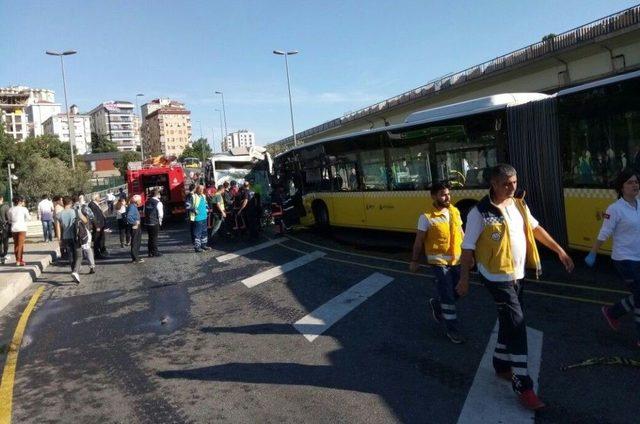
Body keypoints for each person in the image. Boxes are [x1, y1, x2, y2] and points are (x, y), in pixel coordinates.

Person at [457, 164, 574, 411]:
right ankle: (523, 384)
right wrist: (464, 278)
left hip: (519, 274)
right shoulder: (479, 212)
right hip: (496, 277)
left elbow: (535, 228)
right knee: (517, 323)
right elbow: (467, 248)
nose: (512, 187)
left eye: (514, 182)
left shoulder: (519, 204)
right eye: (507, 184)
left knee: (508, 319)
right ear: (494, 184)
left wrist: (559, 250)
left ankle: (501, 364)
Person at [586, 169, 640, 348]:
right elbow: (605, 232)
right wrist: (593, 252)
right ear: (621, 187)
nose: (635, 185)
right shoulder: (614, 209)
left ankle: (612, 312)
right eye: (630, 183)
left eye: (636, 182)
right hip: (624, 259)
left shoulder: (639, 204)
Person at [409, 182, 465, 343]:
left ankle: (437, 304)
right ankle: (452, 330)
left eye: (448, 194)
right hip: (438, 262)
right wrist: (414, 260)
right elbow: (419, 241)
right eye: (442, 194)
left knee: (460, 291)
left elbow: (461, 233)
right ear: (433, 196)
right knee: (448, 295)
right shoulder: (426, 217)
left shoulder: (455, 211)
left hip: (457, 260)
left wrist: (469, 255)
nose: (447, 197)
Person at [57, 196, 89, 283]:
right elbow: (85, 221)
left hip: (66, 237)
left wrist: (59, 240)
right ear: (71, 203)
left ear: (63, 203)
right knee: (79, 255)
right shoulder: (75, 211)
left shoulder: (59, 214)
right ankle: (75, 272)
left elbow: (58, 228)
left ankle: (73, 272)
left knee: (71, 256)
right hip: (76, 237)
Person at [7, 196, 30, 266]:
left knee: (16, 245)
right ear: (20, 202)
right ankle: (19, 260)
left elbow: (9, 220)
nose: (23, 202)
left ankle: (18, 259)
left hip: (14, 228)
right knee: (21, 245)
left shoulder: (10, 210)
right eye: (23, 201)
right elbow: (28, 218)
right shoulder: (24, 209)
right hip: (22, 228)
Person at [188, 185, 209, 252]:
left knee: (204, 232)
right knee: (197, 233)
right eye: (200, 189)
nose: (202, 190)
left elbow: (206, 204)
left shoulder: (203, 196)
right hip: (197, 218)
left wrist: (207, 209)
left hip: (204, 217)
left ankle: (204, 245)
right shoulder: (193, 196)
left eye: (202, 189)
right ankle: (197, 247)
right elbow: (187, 205)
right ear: (197, 189)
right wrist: (194, 210)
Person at [144, 189, 163, 257]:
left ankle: (150, 252)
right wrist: (160, 222)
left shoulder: (147, 202)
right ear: (157, 195)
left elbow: (144, 211)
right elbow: (160, 214)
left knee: (150, 237)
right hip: (155, 222)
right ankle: (155, 252)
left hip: (148, 222)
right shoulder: (158, 202)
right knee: (154, 238)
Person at [88, 194, 109, 258]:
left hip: (100, 225)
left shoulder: (95, 204)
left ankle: (102, 251)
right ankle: (97, 254)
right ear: (95, 198)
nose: (100, 198)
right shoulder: (92, 205)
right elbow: (94, 217)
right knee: (96, 239)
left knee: (101, 238)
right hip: (98, 225)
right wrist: (97, 226)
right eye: (99, 197)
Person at [126, 194, 144, 263]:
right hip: (135, 226)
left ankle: (136, 257)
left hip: (135, 226)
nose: (140, 201)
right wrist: (134, 222)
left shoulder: (132, 206)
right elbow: (129, 217)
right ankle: (135, 258)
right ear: (136, 201)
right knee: (135, 242)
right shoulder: (132, 207)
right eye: (140, 200)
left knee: (137, 241)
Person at [0, 196, 11, 264]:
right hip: (5, 227)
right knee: (5, 241)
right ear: (2, 199)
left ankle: (1, 256)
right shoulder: (6, 207)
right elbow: (9, 217)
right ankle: (5, 254)